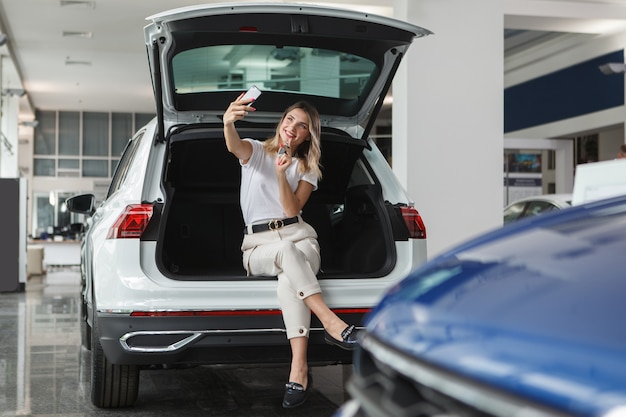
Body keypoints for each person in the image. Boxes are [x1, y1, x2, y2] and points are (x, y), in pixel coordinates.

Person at [223, 93, 359, 408]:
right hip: (258, 246)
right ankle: (331, 323)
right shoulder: (256, 151)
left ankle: (299, 369)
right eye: (290, 121)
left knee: (290, 278)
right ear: (281, 122)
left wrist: (283, 173)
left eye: (302, 126)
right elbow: (234, 146)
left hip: (300, 239)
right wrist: (228, 122)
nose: (293, 129)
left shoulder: (307, 168)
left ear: (308, 135)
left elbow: (290, 208)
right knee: (286, 255)